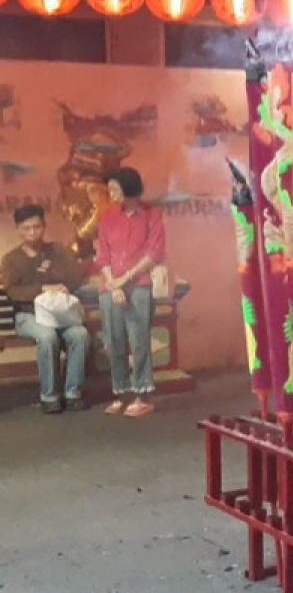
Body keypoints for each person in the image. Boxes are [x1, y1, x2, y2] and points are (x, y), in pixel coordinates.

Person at [1, 204, 89, 413]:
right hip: (28, 315)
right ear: (19, 230)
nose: (32, 232)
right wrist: (42, 288)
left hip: (60, 314)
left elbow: (77, 274)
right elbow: (12, 291)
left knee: (80, 335)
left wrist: (65, 285)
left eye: (37, 227)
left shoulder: (57, 250)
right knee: (47, 336)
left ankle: (73, 393)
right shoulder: (11, 259)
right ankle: (49, 396)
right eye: (27, 228)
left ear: (44, 226)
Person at [96, 166, 165, 417]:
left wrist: (124, 280)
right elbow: (102, 255)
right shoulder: (107, 218)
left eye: (115, 188)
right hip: (110, 287)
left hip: (139, 285)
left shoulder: (152, 215)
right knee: (113, 340)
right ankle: (121, 392)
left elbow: (154, 253)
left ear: (129, 190)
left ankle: (142, 394)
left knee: (139, 340)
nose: (111, 193)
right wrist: (112, 283)